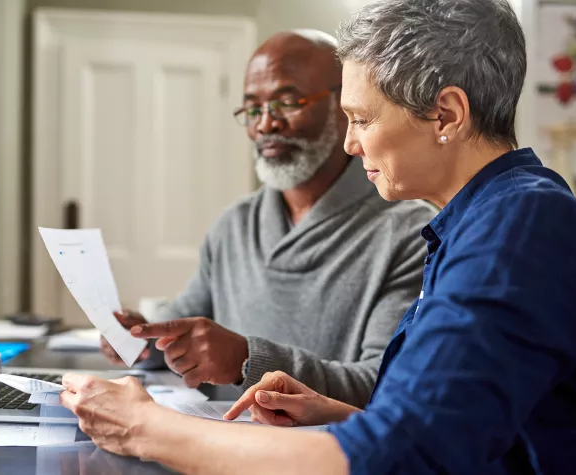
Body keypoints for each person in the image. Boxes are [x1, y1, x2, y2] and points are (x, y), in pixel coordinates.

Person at [59, 0, 576, 473]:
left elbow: (402, 454)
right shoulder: (479, 221)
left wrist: (148, 428)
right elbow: (456, 429)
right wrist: (337, 413)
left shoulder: (517, 227)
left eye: (360, 119)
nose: (351, 144)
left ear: (445, 115)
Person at [101, 29, 435, 407]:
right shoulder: (234, 225)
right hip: (214, 442)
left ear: (345, 105)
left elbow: (384, 382)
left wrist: (247, 360)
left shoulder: (410, 233)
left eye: (286, 102)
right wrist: (142, 338)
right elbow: (184, 332)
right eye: (253, 109)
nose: (265, 125)